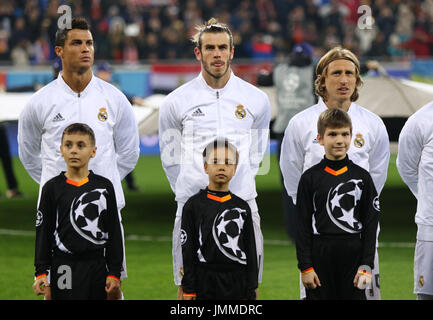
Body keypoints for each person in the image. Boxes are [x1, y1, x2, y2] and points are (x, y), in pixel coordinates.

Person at [18, 17, 139, 300]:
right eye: (77, 43)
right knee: (55, 291)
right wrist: (58, 190)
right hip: (57, 214)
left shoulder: (114, 98)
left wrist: (98, 187)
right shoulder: (40, 102)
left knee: (112, 288)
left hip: (104, 212)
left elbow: (129, 152)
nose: (86, 49)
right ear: (59, 50)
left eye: (90, 43)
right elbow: (29, 156)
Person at [158, 17, 270, 299]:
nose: (217, 54)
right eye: (210, 48)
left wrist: (239, 184)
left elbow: (257, 152)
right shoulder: (176, 101)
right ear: (198, 52)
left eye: (222, 47)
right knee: (189, 292)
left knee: (246, 291)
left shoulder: (256, 99)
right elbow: (170, 157)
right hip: (193, 209)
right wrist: (192, 191)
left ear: (232, 52)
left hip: (242, 202)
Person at [280, 46, 389, 300]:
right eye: (336, 73)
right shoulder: (300, 123)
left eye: (350, 73)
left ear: (358, 79)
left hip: (360, 239)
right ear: (322, 80)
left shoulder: (373, 124)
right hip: (317, 241)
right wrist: (317, 214)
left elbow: (376, 179)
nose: (344, 80)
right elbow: (293, 177)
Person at [296, 108, 379, 300]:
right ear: (321, 138)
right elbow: (302, 226)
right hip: (320, 254)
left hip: (353, 254)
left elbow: (370, 224)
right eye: (332, 134)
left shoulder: (362, 177)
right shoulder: (309, 178)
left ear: (351, 136)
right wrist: (305, 266)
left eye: (345, 134)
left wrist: (366, 265)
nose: (339, 140)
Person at [32, 123, 123, 300]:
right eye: (68, 145)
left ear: (93, 151)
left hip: (96, 265)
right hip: (63, 266)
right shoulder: (51, 188)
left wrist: (114, 272)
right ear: (61, 149)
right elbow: (43, 232)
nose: (74, 150)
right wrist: (41, 271)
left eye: (81, 145)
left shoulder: (104, 187)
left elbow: (114, 232)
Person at [181, 139, 258, 300]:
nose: (222, 166)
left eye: (228, 163)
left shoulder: (242, 207)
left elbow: (251, 249)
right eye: (215, 161)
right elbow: (188, 250)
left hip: (236, 282)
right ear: (205, 167)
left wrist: (251, 288)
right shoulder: (193, 205)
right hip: (204, 281)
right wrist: (189, 289)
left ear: (235, 169)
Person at [257, 42, 316, 242]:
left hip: (284, 133)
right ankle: (314, 228)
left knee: (288, 185)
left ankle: (293, 231)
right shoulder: (314, 70)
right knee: (315, 183)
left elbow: (261, 79)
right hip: (309, 134)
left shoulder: (280, 70)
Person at [396, 101, 433, 300]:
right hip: (431, 227)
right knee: (427, 295)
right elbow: (406, 167)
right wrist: (427, 198)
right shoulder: (420, 120)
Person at [95, 61, 141, 192]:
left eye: (108, 72)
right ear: (99, 73)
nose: (107, 75)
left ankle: (126, 183)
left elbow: (121, 96)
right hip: (100, 128)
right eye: (105, 72)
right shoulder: (93, 87)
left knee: (122, 154)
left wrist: (133, 99)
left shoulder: (111, 87)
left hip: (113, 127)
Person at [0, 123, 22, 198]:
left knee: (7, 160)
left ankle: (13, 189)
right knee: (6, 160)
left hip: (1, 129)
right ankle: (12, 189)